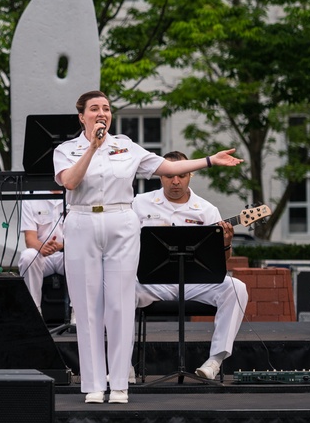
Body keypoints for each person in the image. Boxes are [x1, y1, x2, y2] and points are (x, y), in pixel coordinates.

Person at [53, 90, 242, 404]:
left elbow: (166, 168)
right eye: (94, 109)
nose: (102, 113)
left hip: (120, 221)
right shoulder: (66, 149)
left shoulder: (125, 146)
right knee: (87, 307)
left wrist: (210, 160)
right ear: (82, 116)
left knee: (120, 303)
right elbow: (70, 182)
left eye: (106, 108)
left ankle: (120, 385)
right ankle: (94, 385)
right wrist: (92, 148)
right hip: (82, 220)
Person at [133, 151, 249, 381]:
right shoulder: (139, 203)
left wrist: (226, 243)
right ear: (160, 175)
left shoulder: (206, 210)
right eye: (169, 176)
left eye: (182, 175)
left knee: (236, 288)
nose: (175, 181)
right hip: (151, 280)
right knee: (118, 289)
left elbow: (221, 263)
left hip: (194, 281)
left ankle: (214, 361)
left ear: (190, 176)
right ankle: (122, 368)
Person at [18, 197, 66, 313]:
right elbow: (30, 239)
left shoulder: (74, 189)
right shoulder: (31, 195)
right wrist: (43, 247)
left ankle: (77, 311)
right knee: (27, 256)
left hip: (65, 254)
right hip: (42, 255)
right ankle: (33, 312)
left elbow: (80, 238)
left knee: (81, 255)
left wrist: (61, 245)